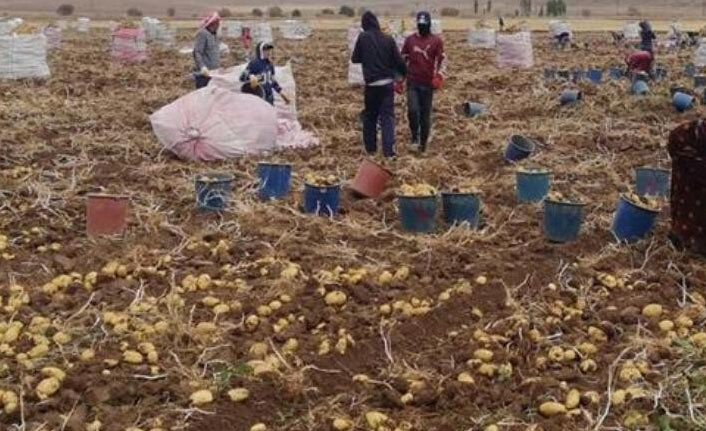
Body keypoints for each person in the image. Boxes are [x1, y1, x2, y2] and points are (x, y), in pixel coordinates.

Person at [351, 11, 407, 158]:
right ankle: (389, 152)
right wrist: (404, 75)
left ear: (364, 25)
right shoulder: (388, 39)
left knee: (370, 117)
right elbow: (398, 60)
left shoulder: (363, 37)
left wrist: (367, 57)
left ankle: (371, 150)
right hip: (387, 85)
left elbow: (355, 58)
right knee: (387, 118)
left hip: (371, 86)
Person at [401, 11, 446, 153]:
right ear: (417, 25)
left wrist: (439, 76)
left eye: (425, 25)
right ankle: (414, 136)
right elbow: (403, 60)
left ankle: (423, 144)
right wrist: (398, 78)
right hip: (413, 82)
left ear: (429, 24)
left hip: (428, 84)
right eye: (420, 25)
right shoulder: (410, 40)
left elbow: (443, 61)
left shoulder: (436, 41)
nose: (422, 27)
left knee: (425, 115)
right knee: (413, 110)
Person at [193, 12, 221, 89]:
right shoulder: (203, 34)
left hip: (214, 73)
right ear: (211, 24)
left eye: (218, 23)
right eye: (216, 23)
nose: (218, 25)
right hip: (204, 74)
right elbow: (197, 52)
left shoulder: (214, 35)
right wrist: (202, 66)